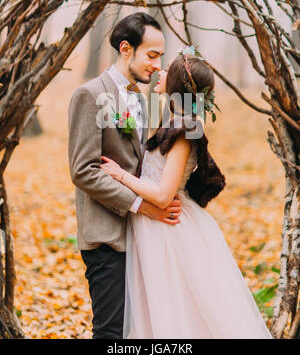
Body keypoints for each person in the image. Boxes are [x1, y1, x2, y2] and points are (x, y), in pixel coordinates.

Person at [100, 50, 273, 339]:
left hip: (170, 232)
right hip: (153, 228)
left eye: (167, 70)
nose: (161, 73)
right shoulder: (175, 121)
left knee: (178, 312)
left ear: (178, 81)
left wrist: (121, 176)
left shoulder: (185, 130)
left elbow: (164, 194)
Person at [68, 12, 182, 339]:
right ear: (126, 49)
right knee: (110, 333)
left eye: (160, 56)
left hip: (140, 238)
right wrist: (142, 205)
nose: (158, 65)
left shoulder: (141, 100)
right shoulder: (88, 94)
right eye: (152, 55)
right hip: (106, 238)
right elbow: (84, 170)